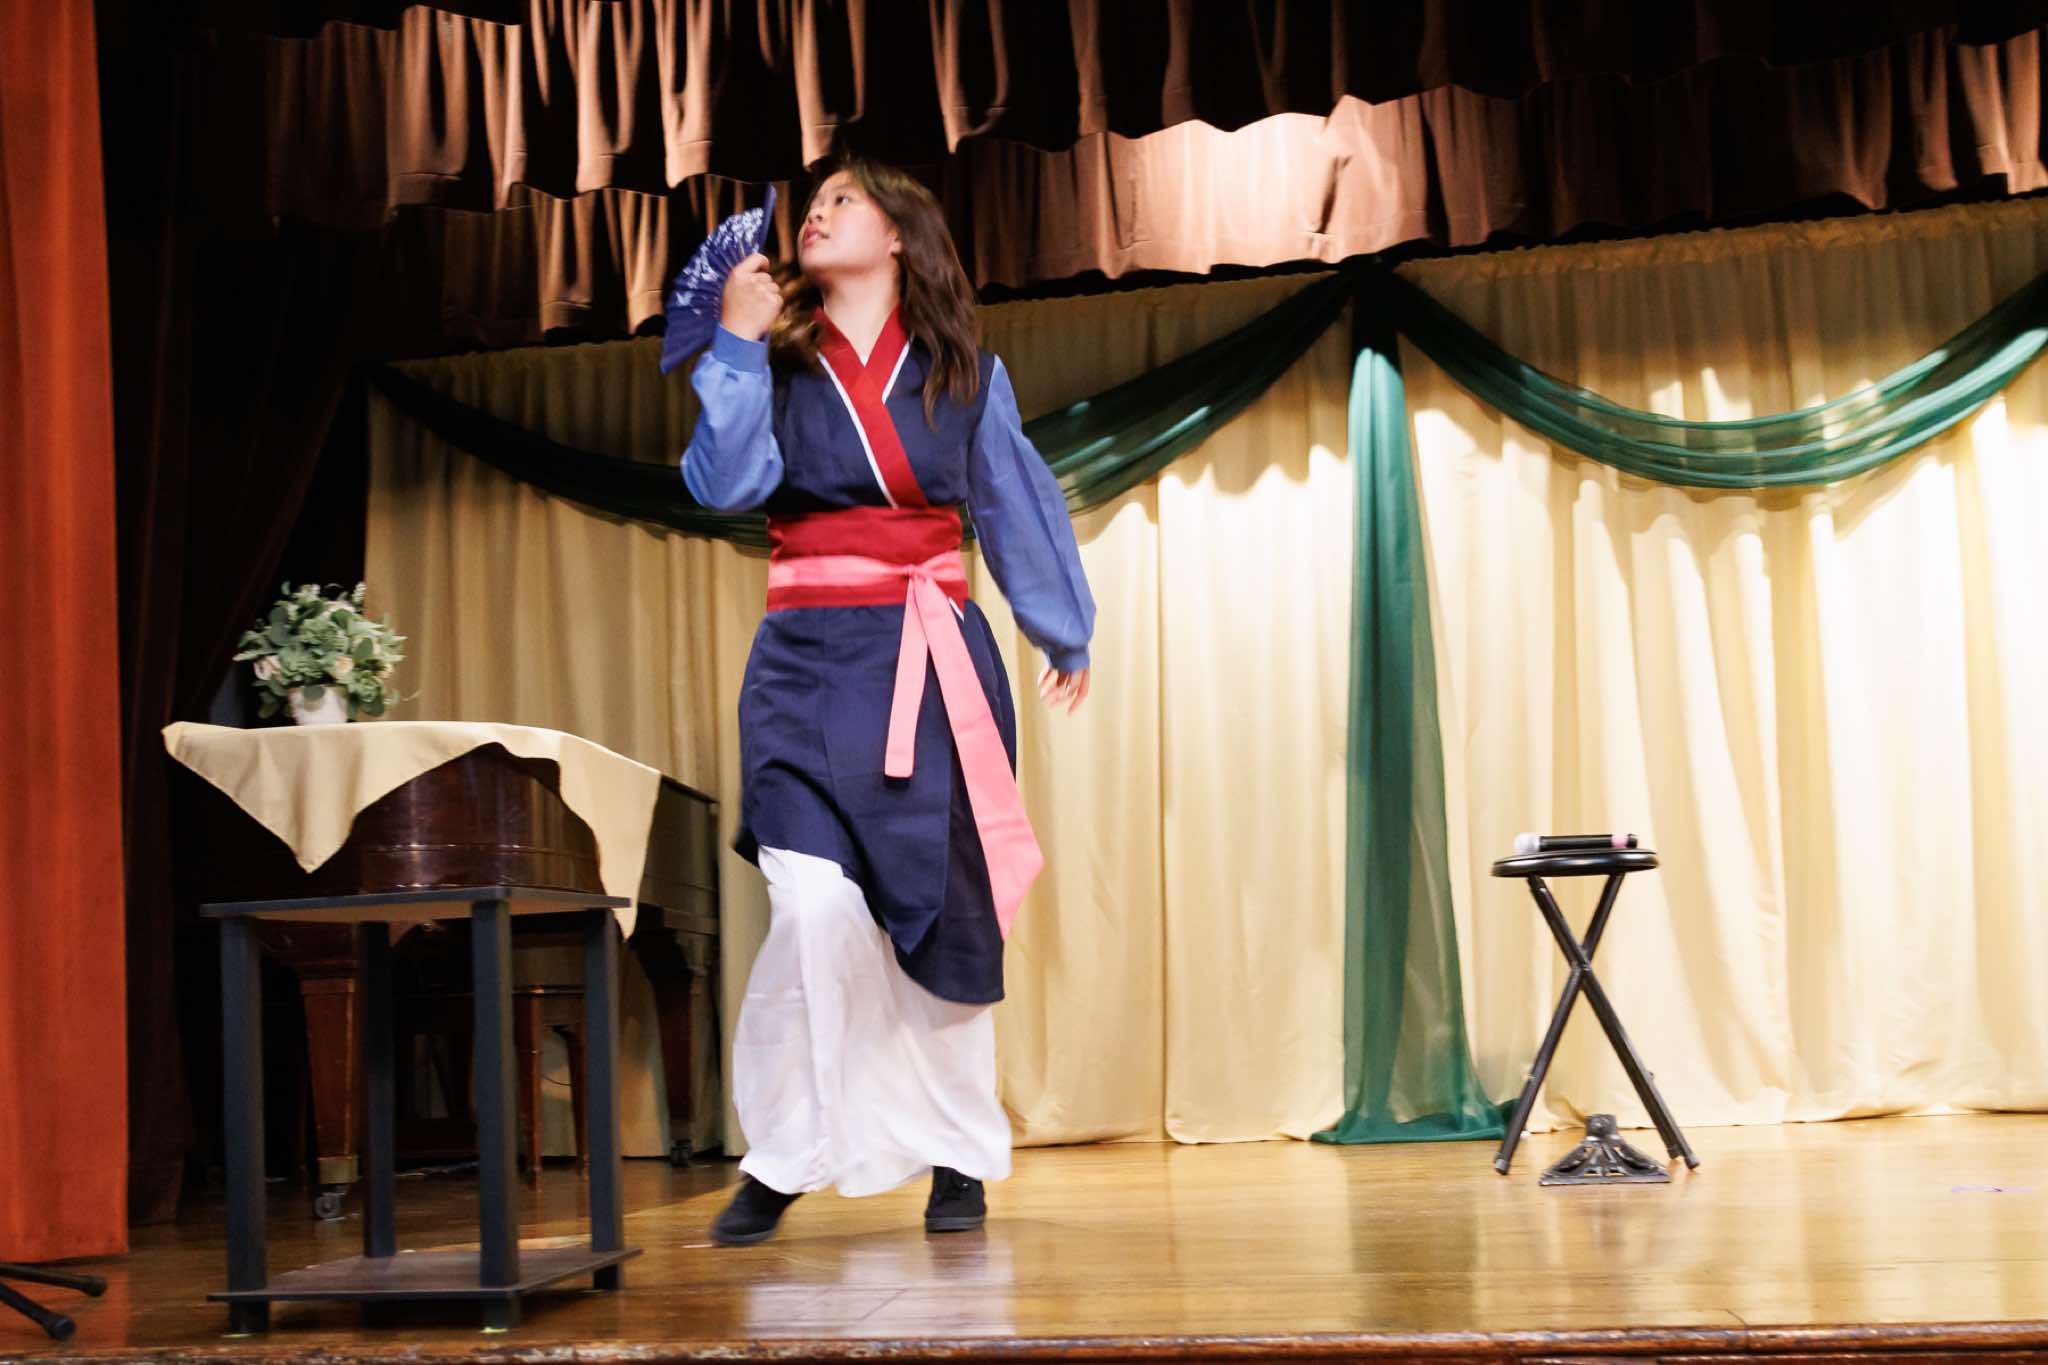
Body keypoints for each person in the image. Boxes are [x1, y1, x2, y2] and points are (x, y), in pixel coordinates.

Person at [679, 158, 1095, 1245]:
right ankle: (784, 1154)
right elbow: (723, 487)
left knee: (943, 915)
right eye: (810, 205)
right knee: (812, 910)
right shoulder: (772, 362)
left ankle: (956, 1152)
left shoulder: (963, 374)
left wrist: (1062, 625)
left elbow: (1010, 498)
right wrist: (733, 341)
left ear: (901, 233)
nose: (816, 214)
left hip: (930, 663)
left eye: (842, 200)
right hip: (802, 670)